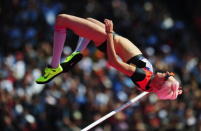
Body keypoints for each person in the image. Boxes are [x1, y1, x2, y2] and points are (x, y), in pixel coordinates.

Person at [36, 14, 182, 100]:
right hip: (112, 38)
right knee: (88, 19)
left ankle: (54, 67)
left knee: (61, 20)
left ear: (158, 85)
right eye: (168, 75)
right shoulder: (150, 87)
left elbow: (113, 62)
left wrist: (110, 33)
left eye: (165, 77)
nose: (165, 73)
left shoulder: (142, 75)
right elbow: (161, 90)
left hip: (107, 40)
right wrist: (172, 91)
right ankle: (76, 54)